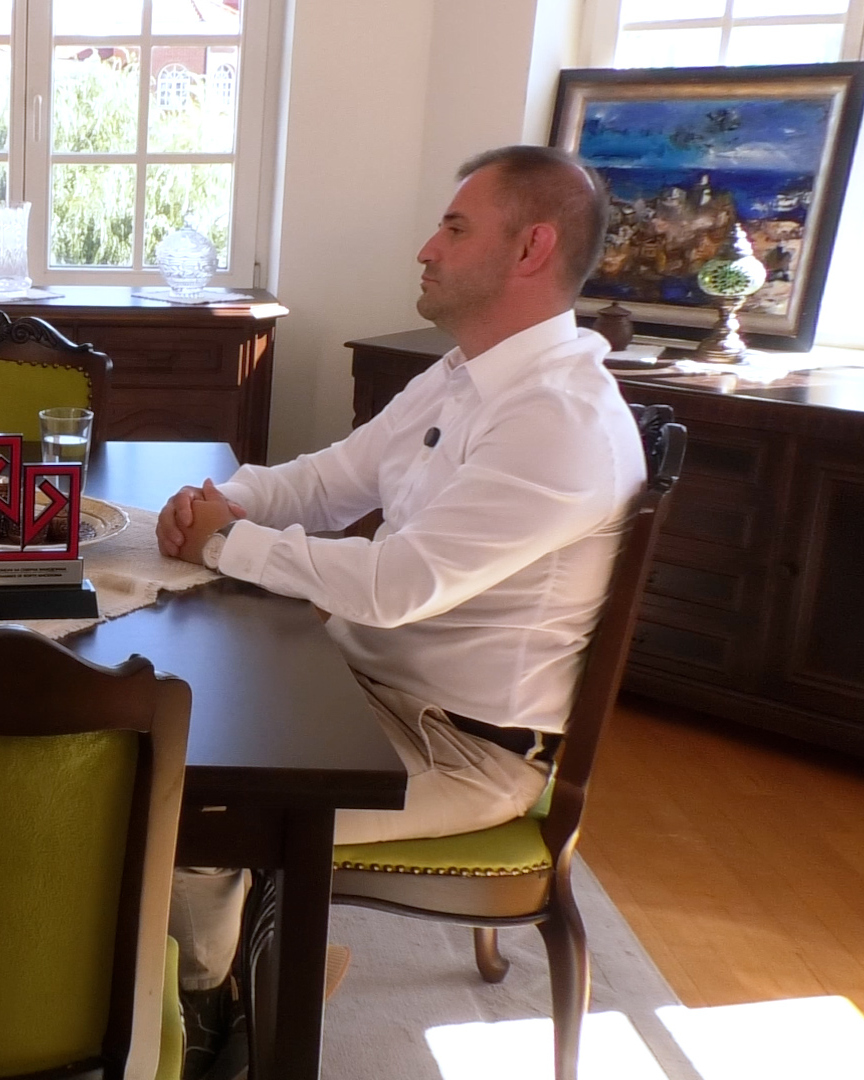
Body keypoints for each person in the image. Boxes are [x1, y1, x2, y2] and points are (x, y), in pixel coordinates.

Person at [156, 145, 645, 1077]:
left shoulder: (560, 419)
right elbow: (327, 482)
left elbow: (397, 584)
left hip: (461, 747)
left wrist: (224, 543)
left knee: (190, 804)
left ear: (532, 248)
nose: (427, 247)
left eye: (455, 227)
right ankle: (220, 964)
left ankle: (216, 1028)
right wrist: (225, 500)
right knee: (175, 709)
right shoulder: (463, 375)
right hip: (367, 683)